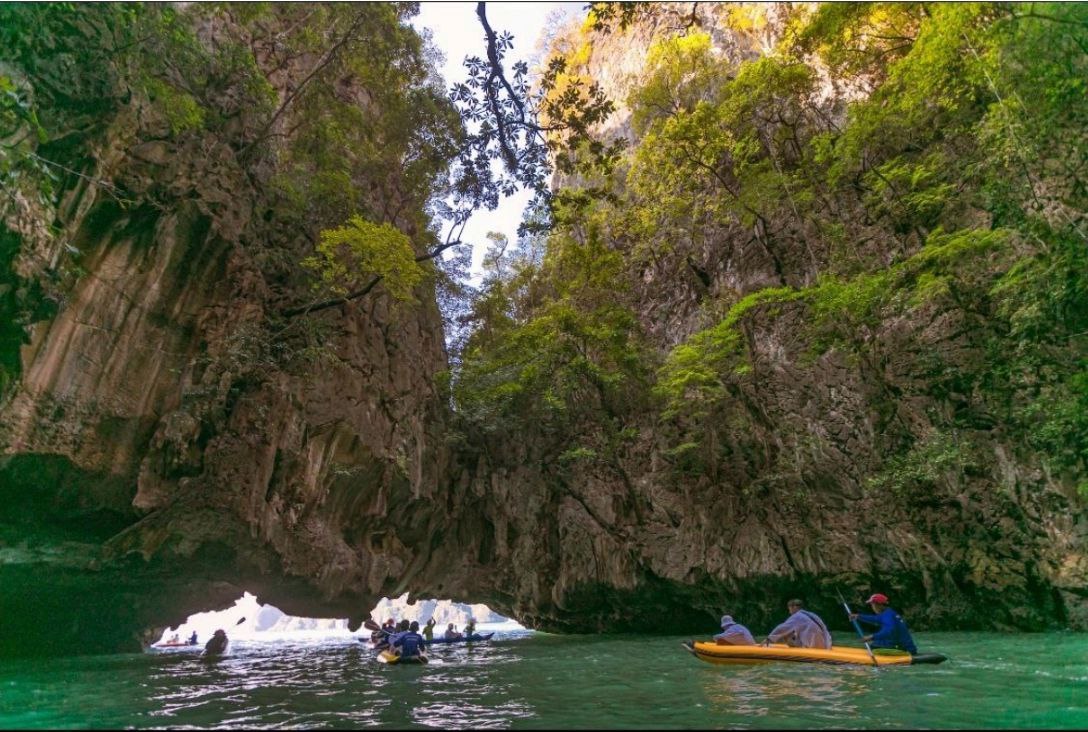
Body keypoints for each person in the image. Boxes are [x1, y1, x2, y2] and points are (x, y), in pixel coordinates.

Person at [849, 593, 918, 654]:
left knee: (873, 646)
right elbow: (875, 619)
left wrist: (872, 637)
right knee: (876, 643)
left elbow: (889, 631)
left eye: (872, 605)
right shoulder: (888, 613)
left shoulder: (888, 616)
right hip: (905, 646)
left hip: (904, 649)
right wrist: (858, 616)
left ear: (879, 605)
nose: (872, 607)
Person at [764, 599, 832, 649]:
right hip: (826, 645)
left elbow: (781, 628)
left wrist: (768, 639)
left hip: (813, 647)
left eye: (789, 609)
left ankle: (797, 649)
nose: (789, 612)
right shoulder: (812, 615)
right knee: (794, 631)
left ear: (794, 607)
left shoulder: (797, 616)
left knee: (786, 634)